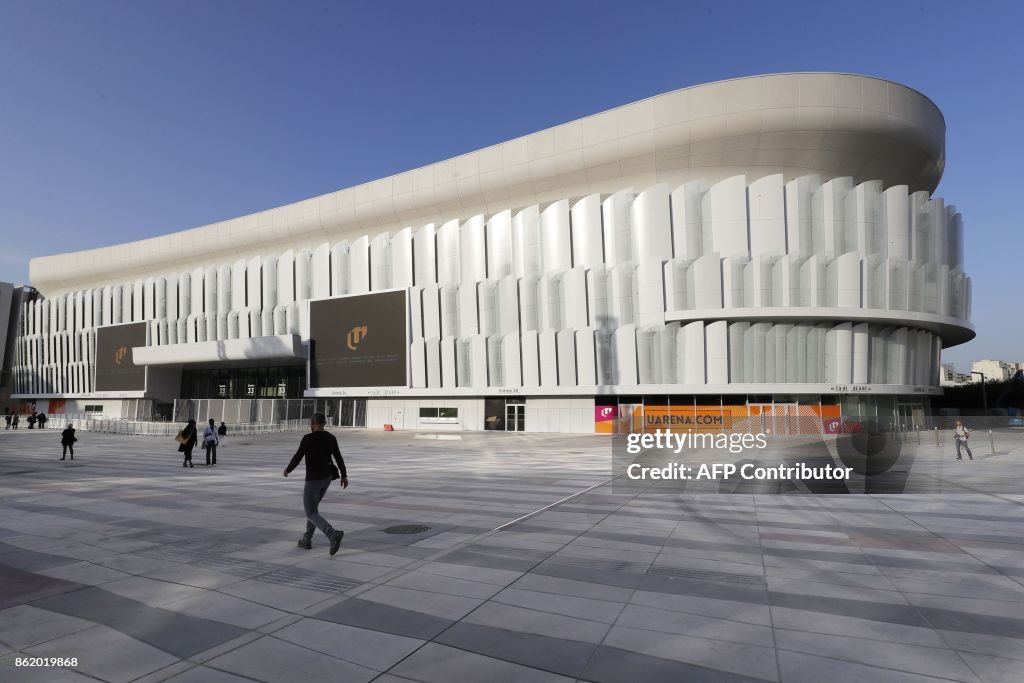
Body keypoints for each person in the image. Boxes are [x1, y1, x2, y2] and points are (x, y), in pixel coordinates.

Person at [283, 412, 347, 555]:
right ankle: (307, 539)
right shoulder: (331, 438)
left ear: (312, 423)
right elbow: (338, 457)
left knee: (310, 512)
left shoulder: (308, 438)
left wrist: (288, 469)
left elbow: (298, 456)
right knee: (314, 510)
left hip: (313, 480)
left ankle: (332, 534)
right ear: (324, 423)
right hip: (327, 478)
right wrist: (344, 475)